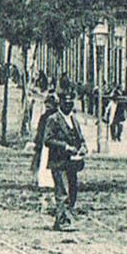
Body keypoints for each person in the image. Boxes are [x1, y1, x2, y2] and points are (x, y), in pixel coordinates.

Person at [42, 91, 87, 230]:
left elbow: (80, 138)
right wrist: (66, 147)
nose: (68, 105)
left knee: (72, 191)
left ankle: (61, 219)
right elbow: (47, 140)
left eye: (70, 102)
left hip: (73, 162)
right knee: (62, 192)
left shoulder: (74, 120)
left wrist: (84, 147)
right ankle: (63, 221)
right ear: (60, 103)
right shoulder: (53, 119)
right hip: (58, 161)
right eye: (65, 102)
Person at [30, 92, 58, 209]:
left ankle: (47, 183)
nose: (48, 107)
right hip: (49, 145)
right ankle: (48, 183)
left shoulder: (50, 117)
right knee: (47, 164)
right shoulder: (52, 116)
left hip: (50, 145)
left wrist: (38, 142)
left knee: (47, 164)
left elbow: (40, 132)